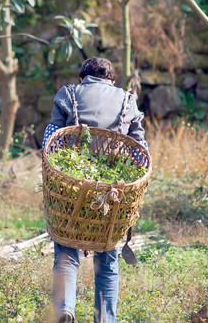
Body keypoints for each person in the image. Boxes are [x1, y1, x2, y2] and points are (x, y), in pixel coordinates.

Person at [42, 57, 148, 323]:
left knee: (66, 252)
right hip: (112, 193)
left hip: (73, 188)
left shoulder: (68, 94)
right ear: (111, 80)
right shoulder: (127, 100)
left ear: (82, 78)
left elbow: (50, 143)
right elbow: (141, 151)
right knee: (108, 262)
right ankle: (105, 320)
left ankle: (64, 309)